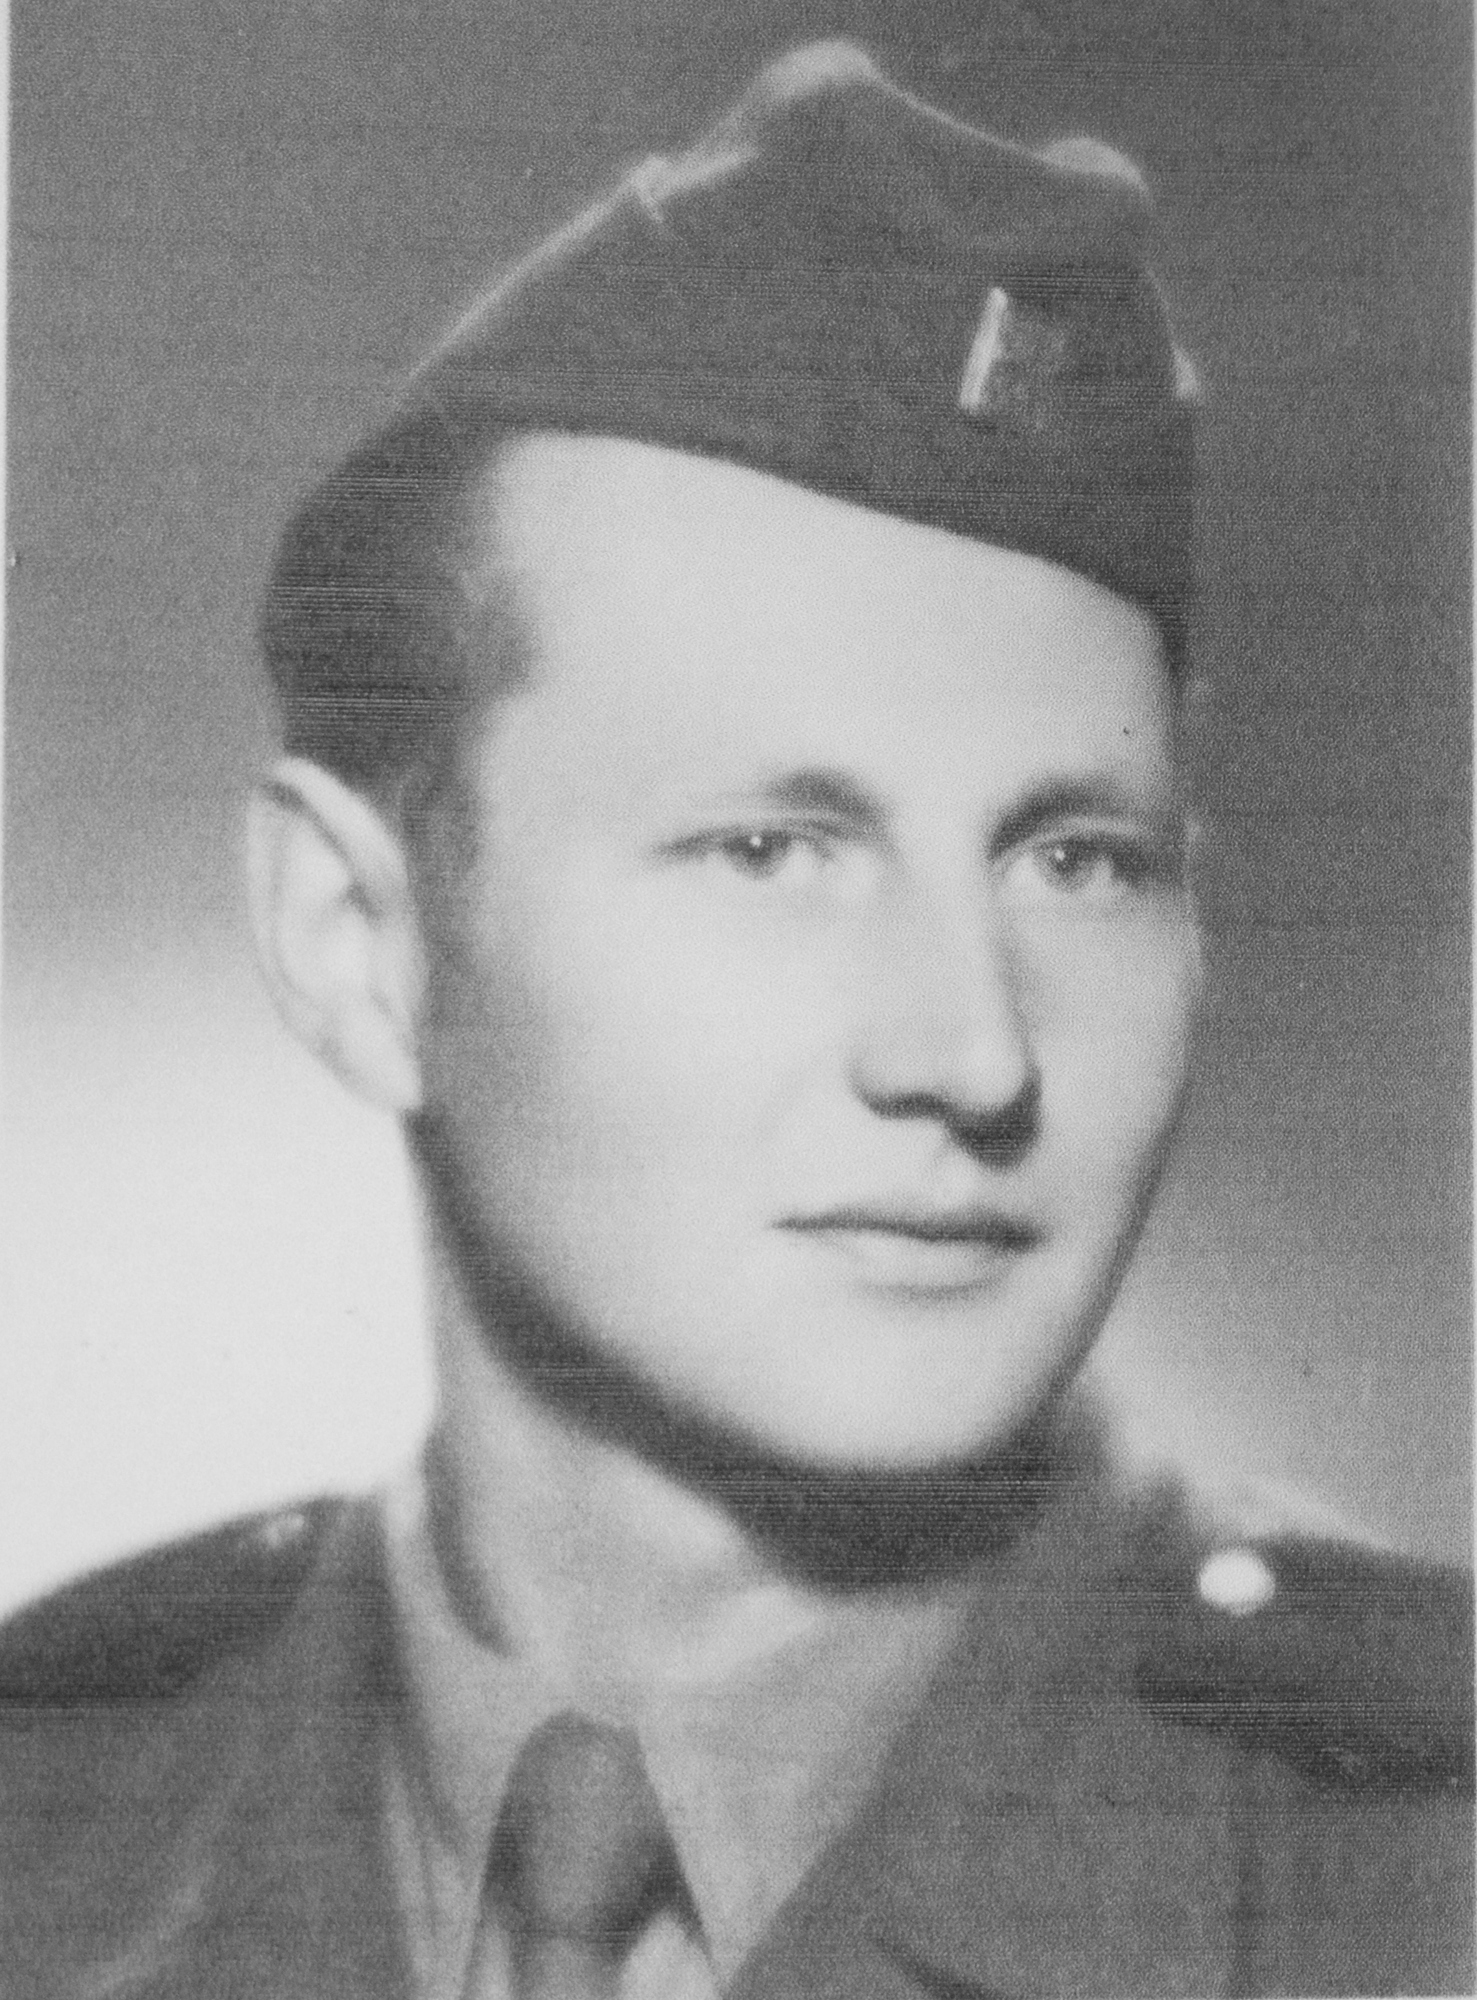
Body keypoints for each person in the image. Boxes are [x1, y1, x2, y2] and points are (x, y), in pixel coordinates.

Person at [0, 39, 1469, 2000]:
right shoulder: (50, 1827)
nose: (973, 1054)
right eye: (773, 848)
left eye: (1078, 860)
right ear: (355, 939)